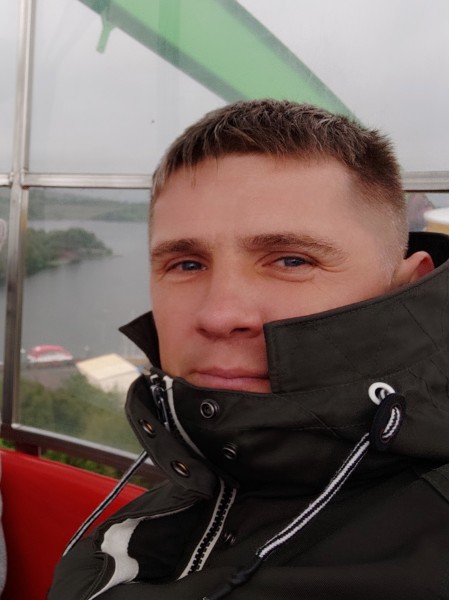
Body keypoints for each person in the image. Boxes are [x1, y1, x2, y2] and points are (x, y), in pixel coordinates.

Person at [48, 100, 449, 599]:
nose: (219, 315)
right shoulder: (173, 503)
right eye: (187, 264)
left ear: (405, 287)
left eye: (291, 260)